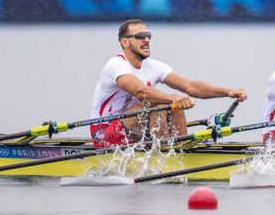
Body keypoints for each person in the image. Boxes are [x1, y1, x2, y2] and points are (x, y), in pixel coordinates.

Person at [90, 19, 247, 148]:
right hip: (104, 133)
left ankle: (181, 147)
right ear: (125, 42)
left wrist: (228, 92)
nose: (146, 39)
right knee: (160, 104)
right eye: (140, 36)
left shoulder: (154, 66)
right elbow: (140, 91)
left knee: (173, 105)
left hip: (134, 128)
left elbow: (191, 87)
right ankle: (164, 154)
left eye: (148, 35)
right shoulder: (116, 64)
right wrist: (173, 99)